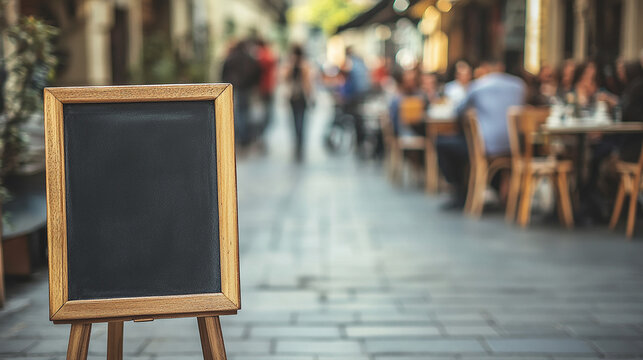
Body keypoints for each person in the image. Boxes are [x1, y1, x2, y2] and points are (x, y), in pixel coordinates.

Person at [436, 58, 526, 209]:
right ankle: (497, 191)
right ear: (501, 67)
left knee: (443, 143)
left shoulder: (478, 87)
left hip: (486, 147)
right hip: (516, 145)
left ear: (484, 68)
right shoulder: (519, 85)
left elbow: (459, 111)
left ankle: (460, 194)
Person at [221, 40, 261, 148]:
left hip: (234, 87)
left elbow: (223, 72)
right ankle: (245, 136)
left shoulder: (231, 58)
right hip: (246, 88)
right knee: (246, 112)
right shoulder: (250, 58)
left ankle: (240, 136)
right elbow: (257, 71)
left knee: (237, 112)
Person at [283, 44, 313, 162]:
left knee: (297, 120)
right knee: (299, 120)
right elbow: (307, 83)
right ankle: (299, 142)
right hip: (299, 97)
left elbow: (285, 79)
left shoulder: (296, 65)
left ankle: (298, 142)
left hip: (296, 97)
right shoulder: (303, 65)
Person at [255, 38, 277, 141]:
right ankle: (261, 133)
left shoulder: (261, 55)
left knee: (265, 112)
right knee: (266, 112)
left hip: (264, 87)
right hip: (267, 87)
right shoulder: (267, 55)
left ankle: (260, 133)